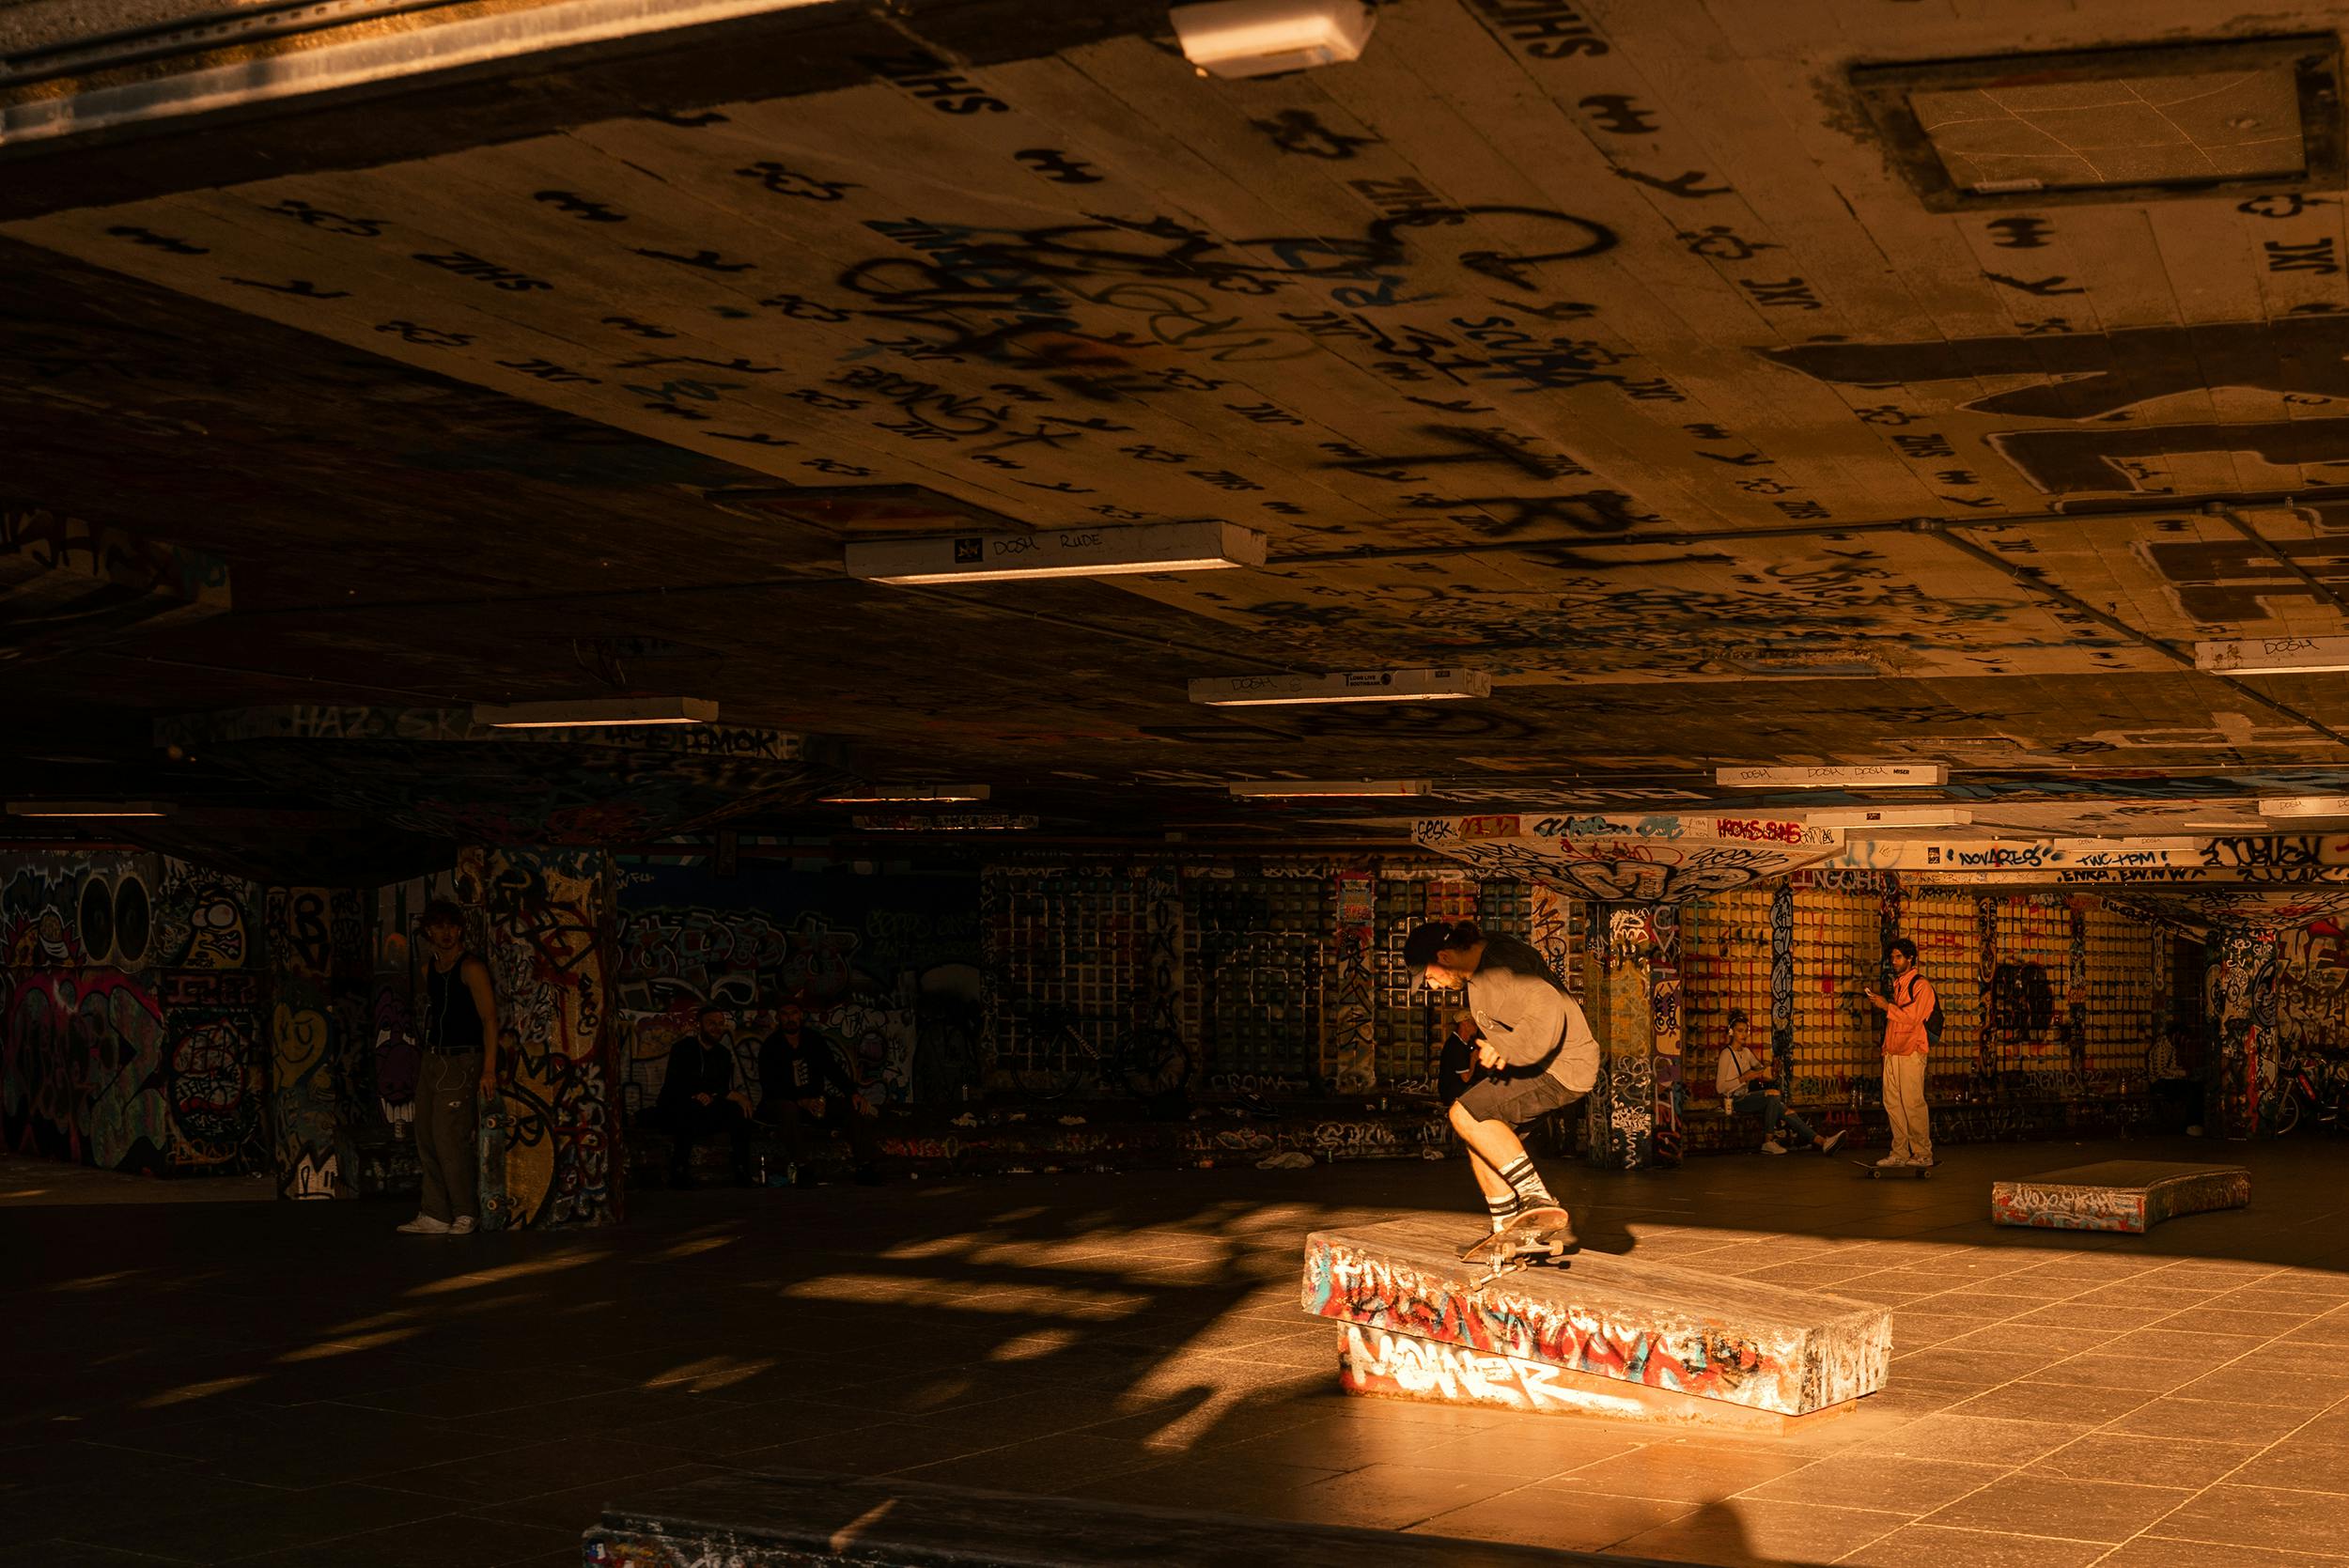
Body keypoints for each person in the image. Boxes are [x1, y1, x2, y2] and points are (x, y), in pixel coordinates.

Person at [1404, 919, 1595, 1248]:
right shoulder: (1485, 957)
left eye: (1430, 978)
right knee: (1477, 1131)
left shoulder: (1501, 968)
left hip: (1559, 1067)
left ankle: (1537, 1198)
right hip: (1541, 1066)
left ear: (1444, 957)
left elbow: (1547, 1003)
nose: (1433, 988)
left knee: (1463, 1113)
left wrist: (1508, 1046)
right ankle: (1506, 1228)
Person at [400, 900, 497, 1236]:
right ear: (428, 931)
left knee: (449, 1137)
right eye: (439, 926)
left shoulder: (471, 968)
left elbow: (489, 1019)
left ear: (460, 929)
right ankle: (435, 1212)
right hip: (434, 1057)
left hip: (462, 1058)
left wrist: (489, 1068)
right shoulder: (429, 969)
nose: (447, 933)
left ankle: (465, 1211)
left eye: (452, 926)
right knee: (426, 1134)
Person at [756, 1002, 881, 1185]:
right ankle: (802, 1167)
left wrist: (852, 1093)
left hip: (815, 1100)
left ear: (801, 1015)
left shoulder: (813, 1040)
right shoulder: (771, 1046)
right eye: (785, 1014)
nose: (790, 1018)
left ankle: (865, 1166)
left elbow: (832, 1069)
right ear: (778, 1017)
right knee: (788, 1109)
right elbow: (770, 1085)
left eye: (794, 1013)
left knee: (852, 1108)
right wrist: (800, 1100)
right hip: (783, 1102)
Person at [1715, 1009, 1844, 1156]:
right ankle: (1768, 1142)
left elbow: (1761, 1071)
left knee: (1786, 1111)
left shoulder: (1746, 1052)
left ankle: (1823, 1142)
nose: (1744, 1034)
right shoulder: (1726, 1054)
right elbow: (1720, 1088)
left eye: (1746, 1031)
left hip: (1747, 1098)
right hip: (1734, 1102)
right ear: (1731, 1032)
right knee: (1774, 1095)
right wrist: (1744, 1078)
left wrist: (1773, 1070)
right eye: (1740, 1031)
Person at [649, 1005, 752, 1187]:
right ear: (699, 1025)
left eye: (720, 1023)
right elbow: (678, 1083)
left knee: (738, 1111)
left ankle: (742, 1170)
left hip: (708, 1107)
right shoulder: (682, 1049)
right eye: (711, 1023)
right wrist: (700, 1094)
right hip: (676, 1107)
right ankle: (678, 1171)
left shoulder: (723, 1054)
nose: (717, 1028)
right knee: (691, 1109)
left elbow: (720, 1087)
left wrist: (713, 1095)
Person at [1863, 938, 1937, 1168]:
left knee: (1912, 1103)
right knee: (1892, 1102)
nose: (1894, 961)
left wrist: (1886, 1006)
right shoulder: (1899, 984)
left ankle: (1922, 1153)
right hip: (1893, 1051)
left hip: (1911, 1050)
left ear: (1910, 958)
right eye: (1892, 957)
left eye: (1898, 957)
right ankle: (1900, 1152)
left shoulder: (1921, 985)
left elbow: (1913, 1017)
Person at [1437, 1009, 1486, 1108]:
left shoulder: (1461, 1043)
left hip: (1453, 1090)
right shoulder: (1456, 1046)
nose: (1476, 1026)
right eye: (1473, 1023)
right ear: (1464, 1024)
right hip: (1453, 1094)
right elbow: (1466, 1078)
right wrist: (1473, 1060)